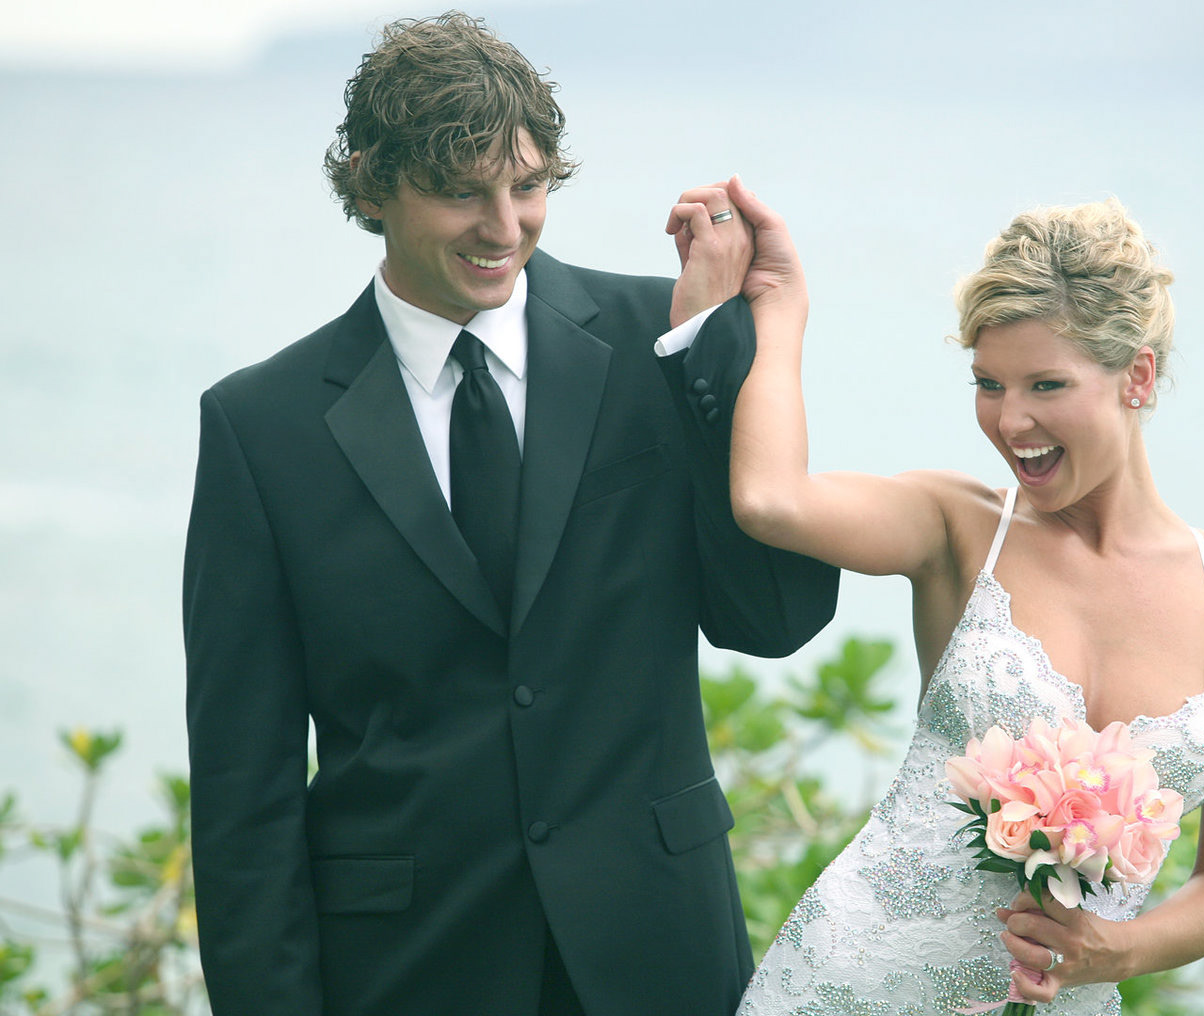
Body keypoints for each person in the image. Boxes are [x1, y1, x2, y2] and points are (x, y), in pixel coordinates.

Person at [181, 14, 838, 1016]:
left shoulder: (663, 341)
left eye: (526, 185)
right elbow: (244, 792)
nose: (504, 227)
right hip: (405, 969)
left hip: (656, 953)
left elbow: (773, 616)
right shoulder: (259, 426)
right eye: (460, 191)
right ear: (370, 183)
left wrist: (725, 351)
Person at [717, 180, 1204, 1014]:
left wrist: (1113, 951)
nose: (1009, 421)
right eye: (988, 384)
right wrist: (778, 309)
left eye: (1045, 387)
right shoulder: (957, 528)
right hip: (851, 989)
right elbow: (771, 501)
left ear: (1137, 376)